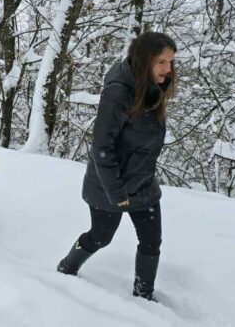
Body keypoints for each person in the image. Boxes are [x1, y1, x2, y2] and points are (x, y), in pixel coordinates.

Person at [56, 32, 177, 302]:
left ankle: (143, 294)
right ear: (144, 60)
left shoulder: (152, 91)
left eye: (170, 62)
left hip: (143, 185)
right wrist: (116, 191)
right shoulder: (118, 93)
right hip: (110, 186)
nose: (168, 70)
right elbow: (102, 147)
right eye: (161, 62)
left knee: (151, 241)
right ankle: (66, 268)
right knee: (100, 237)